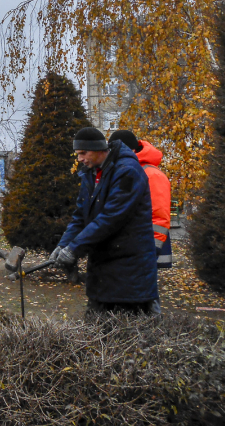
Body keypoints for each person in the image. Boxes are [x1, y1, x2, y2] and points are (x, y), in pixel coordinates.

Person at [51, 127, 159, 315]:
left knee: (128, 334)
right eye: (78, 154)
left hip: (129, 273)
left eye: (83, 153)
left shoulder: (128, 172)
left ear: (98, 149)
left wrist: (74, 249)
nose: (79, 159)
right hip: (103, 271)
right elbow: (80, 217)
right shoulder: (91, 174)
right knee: (96, 333)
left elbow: (111, 217)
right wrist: (63, 245)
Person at [109, 130, 172, 269]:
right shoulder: (126, 170)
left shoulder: (151, 174)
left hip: (144, 249)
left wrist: (151, 250)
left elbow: (159, 216)